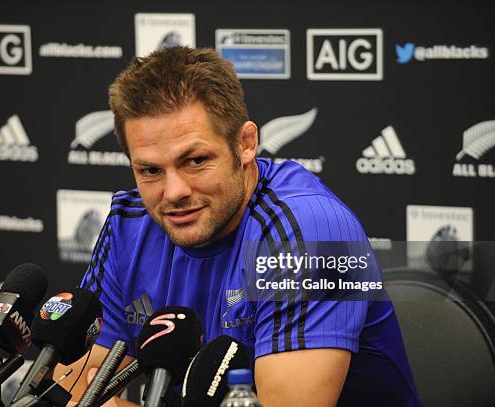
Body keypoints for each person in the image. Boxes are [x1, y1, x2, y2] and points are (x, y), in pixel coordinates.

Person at [56, 46, 421, 406]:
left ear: (245, 144)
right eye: (150, 170)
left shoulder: (312, 233)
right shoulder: (130, 224)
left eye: (196, 160)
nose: (174, 192)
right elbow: (74, 385)